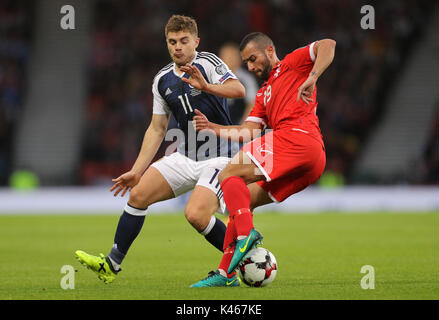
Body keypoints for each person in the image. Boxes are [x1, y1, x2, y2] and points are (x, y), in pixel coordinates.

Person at [75, 15, 245, 284]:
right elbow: (157, 128)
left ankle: (239, 264)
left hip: (220, 156)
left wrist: (206, 86)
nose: (178, 46)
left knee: (196, 215)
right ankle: (111, 265)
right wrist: (136, 171)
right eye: (172, 42)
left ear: (196, 42)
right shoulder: (162, 79)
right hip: (184, 155)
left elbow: (238, 89)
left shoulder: (209, 62)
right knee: (138, 195)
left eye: (183, 41)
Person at [190, 32, 336, 287]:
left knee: (228, 175)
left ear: (269, 51)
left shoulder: (293, 63)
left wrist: (312, 77)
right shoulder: (264, 94)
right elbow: (247, 132)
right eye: (246, 62)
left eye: (253, 59)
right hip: (311, 161)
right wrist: (213, 127)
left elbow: (328, 45)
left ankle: (247, 235)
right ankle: (226, 274)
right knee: (242, 199)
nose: (250, 66)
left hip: (297, 137)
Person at [218, 42, 259, 125]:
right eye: (227, 56)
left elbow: (252, 104)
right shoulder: (210, 78)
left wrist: (242, 127)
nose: (230, 60)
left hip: (237, 126)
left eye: (233, 56)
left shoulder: (246, 79)